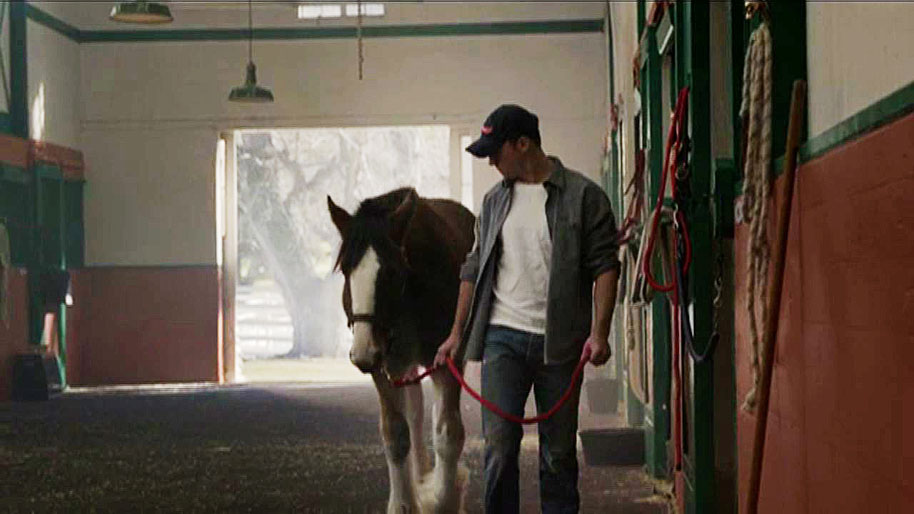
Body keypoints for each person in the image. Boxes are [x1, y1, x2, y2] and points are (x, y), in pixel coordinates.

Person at [434, 104, 621, 513]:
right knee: (499, 451)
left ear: (523, 144)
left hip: (561, 342)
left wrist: (600, 332)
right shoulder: (494, 202)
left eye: (495, 153)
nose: (491, 162)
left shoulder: (584, 196)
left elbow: (606, 265)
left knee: (558, 456)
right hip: (503, 338)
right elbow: (473, 267)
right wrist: (456, 333)